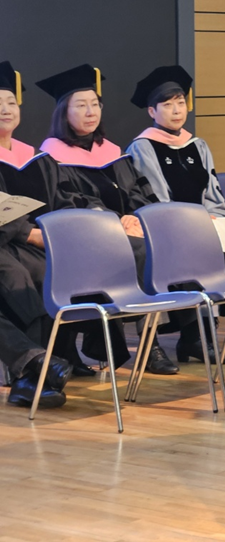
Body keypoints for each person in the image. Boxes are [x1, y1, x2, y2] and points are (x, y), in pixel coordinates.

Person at [35, 64, 192, 376]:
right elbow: (68, 203)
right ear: (64, 112)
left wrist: (139, 219)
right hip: (86, 241)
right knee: (144, 253)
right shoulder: (52, 157)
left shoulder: (112, 152)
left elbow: (138, 191)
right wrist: (113, 223)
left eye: (95, 104)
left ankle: (187, 336)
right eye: (81, 105)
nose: (90, 112)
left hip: (126, 233)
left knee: (165, 244)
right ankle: (149, 346)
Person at [0, 61, 128, 376]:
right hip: (12, 244)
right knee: (34, 273)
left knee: (81, 261)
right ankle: (35, 369)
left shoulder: (37, 158)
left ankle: (62, 355)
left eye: (11, 103)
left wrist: (77, 227)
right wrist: (29, 234)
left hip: (43, 240)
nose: (5, 110)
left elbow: (65, 197)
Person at [126, 65, 225, 282]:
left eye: (180, 103)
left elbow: (214, 196)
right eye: (167, 105)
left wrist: (218, 219)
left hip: (208, 224)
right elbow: (158, 200)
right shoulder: (143, 148)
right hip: (171, 229)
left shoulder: (198, 146)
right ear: (152, 112)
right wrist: (195, 220)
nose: (177, 111)